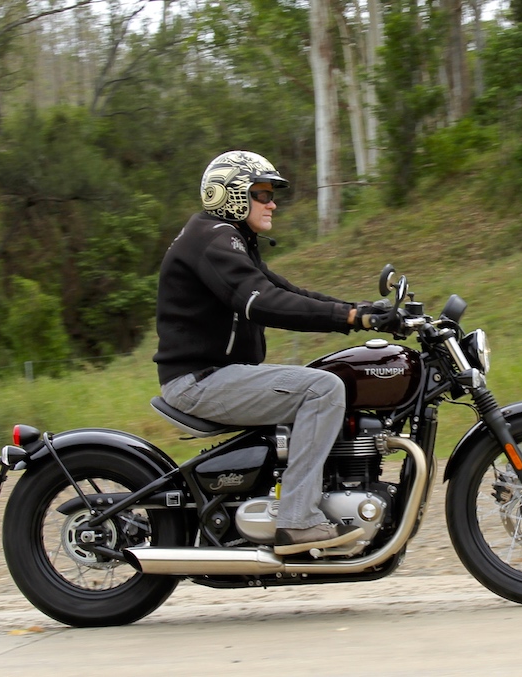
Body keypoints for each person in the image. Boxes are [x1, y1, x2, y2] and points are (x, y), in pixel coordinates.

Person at [154, 150, 388, 556]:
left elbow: (288, 292)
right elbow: (264, 301)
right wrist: (351, 317)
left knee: (320, 385)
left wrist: (361, 310)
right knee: (323, 389)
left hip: (218, 374)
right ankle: (297, 520)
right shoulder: (214, 238)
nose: (272, 203)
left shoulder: (227, 239)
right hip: (201, 380)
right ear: (229, 195)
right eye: (262, 193)